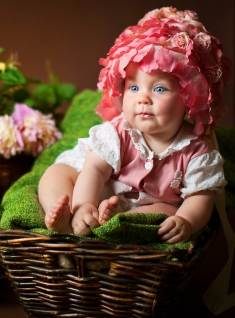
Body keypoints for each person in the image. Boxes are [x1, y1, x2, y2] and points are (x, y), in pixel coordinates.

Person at [38, 7, 232, 244]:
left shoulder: (196, 151)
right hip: (96, 190)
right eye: (133, 88)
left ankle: (119, 226)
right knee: (55, 174)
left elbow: (200, 197)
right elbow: (95, 171)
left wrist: (187, 222)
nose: (143, 98)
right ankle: (68, 220)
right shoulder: (118, 132)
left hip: (147, 206)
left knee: (170, 211)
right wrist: (85, 205)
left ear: (188, 98)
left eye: (159, 89)